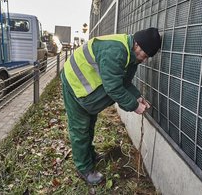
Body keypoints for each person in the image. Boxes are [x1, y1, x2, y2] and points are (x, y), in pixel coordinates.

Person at [60, 27, 161, 185]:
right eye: (146, 55)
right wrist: (134, 106)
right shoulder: (115, 51)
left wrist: (137, 97)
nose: (145, 60)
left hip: (87, 89)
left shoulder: (131, 56)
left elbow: (124, 83)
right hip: (74, 84)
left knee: (90, 124)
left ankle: (89, 155)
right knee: (80, 128)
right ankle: (84, 168)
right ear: (137, 45)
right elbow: (114, 87)